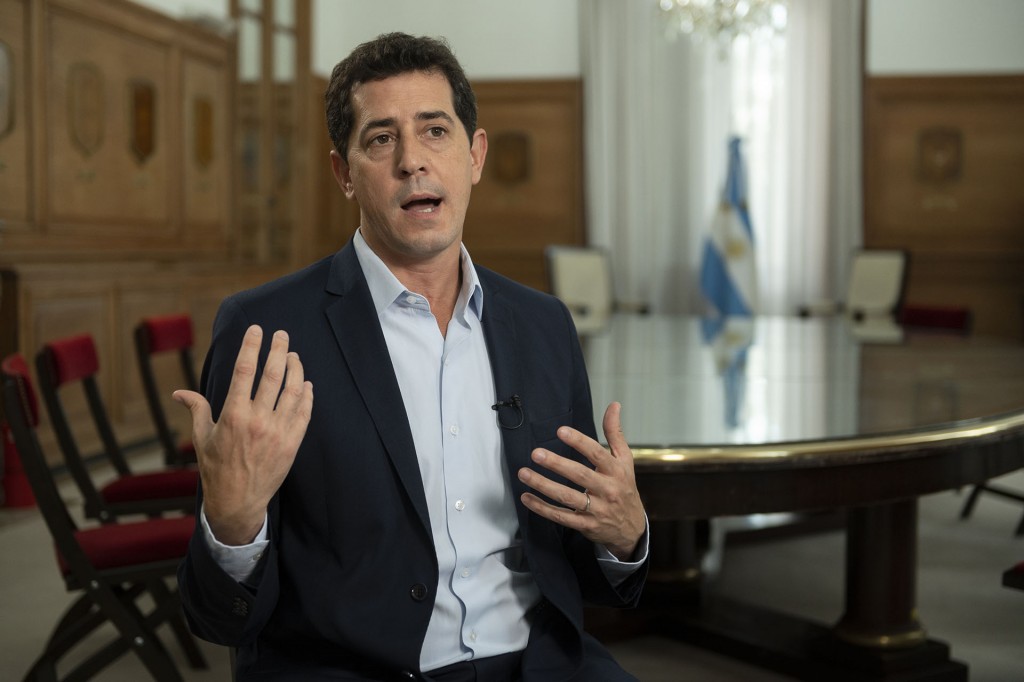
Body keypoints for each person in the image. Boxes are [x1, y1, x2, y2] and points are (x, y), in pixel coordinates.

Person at [174, 32, 649, 681]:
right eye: (380, 139)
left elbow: (579, 557)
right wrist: (231, 527)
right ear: (344, 173)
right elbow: (216, 619)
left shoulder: (544, 325)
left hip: (538, 663)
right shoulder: (268, 331)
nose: (412, 162)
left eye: (435, 131)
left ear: (475, 155)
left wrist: (624, 536)